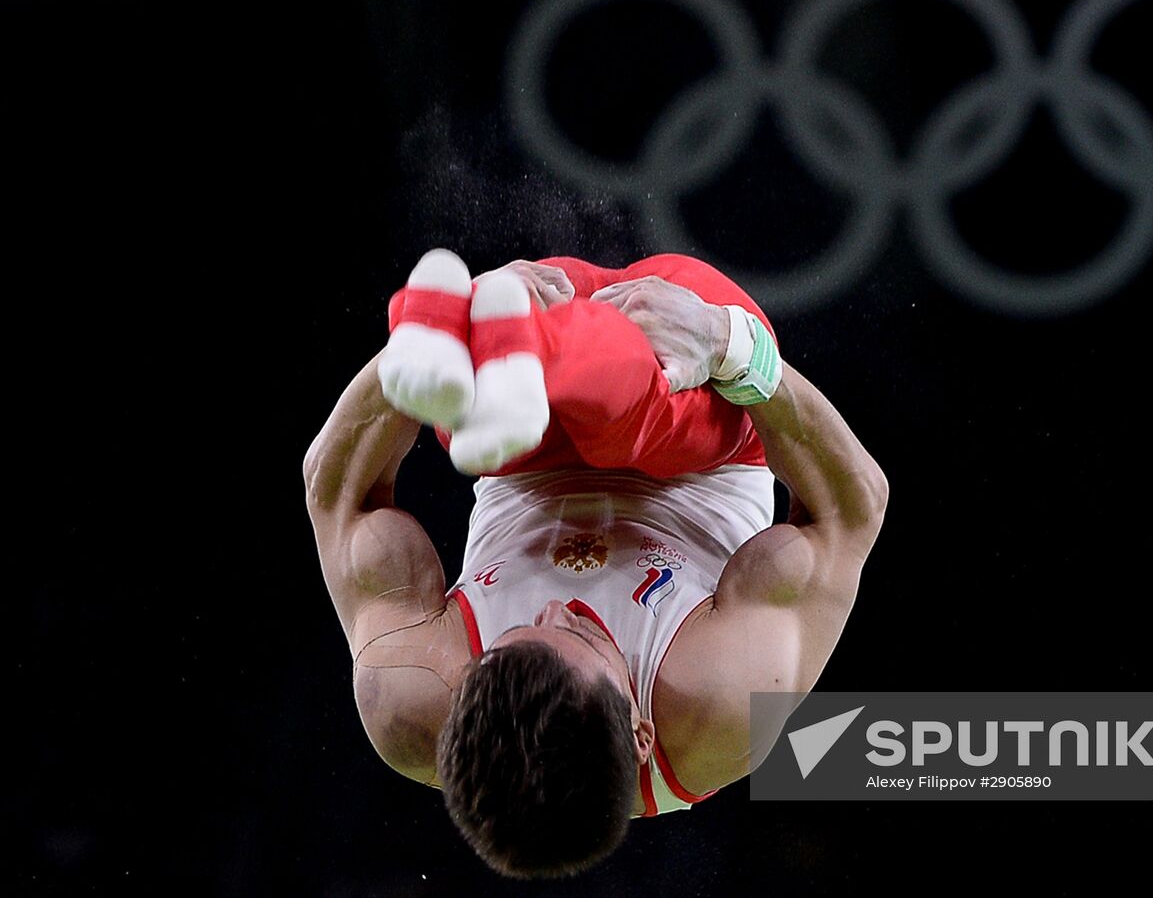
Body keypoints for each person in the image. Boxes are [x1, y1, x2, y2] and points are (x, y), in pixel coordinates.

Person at [303, 249, 888, 879]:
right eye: (581, 628)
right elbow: (851, 509)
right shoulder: (718, 700)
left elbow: (337, 492)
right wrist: (734, 348)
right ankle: (523, 348)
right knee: (626, 412)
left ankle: (496, 341)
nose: (554, 607)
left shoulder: (414, 696)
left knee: (465, 417)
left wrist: (414, 357)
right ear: (640, 729)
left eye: (508, 642)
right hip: (697, 427)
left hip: (523, 452)